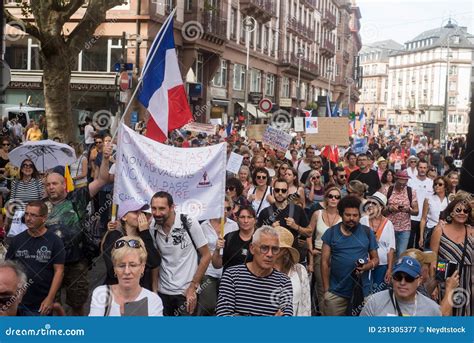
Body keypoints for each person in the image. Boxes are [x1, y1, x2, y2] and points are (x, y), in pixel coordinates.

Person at [44, 142, 112, 316]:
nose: (51, 187)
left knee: (78, 303)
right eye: (48, 184)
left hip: (76, 262)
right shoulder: (41, 207)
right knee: (51, 304)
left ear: (64, 185)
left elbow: (102, 180)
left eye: (55, 184)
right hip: (49, 265)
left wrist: (104, 158)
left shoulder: (77, 197)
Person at [149, 191, 211, 316]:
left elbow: (206, 255)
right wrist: (154, 290)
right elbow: (156, 260)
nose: (157, 213)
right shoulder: (153, 226)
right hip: (163, 292)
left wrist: (192, 288)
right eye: (154, 209)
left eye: (162, 209)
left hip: (185, 293)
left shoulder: (188, 222)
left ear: (172, 207)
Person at [216, 226, 293, 316]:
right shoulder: (232, 276)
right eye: (264, 248)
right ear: (252, 248)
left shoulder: (284, 282)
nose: (270, 254)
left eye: (275, 249)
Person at [321, 196, 379, 316]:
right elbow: (324, 262)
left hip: (362, 291)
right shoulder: (330, 233)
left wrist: (366, 266)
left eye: (355, 215)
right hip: (336, 293)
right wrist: (327, 290)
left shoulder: (367, 232)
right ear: (341, 214)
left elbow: (376, 259)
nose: (351, 218)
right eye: (348, 215)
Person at [5, 201, 65, 316]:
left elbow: (59, 271)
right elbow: (8, 267)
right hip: (17, 302)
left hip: (41, 303)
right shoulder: (17, 240)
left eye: (33, 215)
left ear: (44, 218)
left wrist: (50, 298)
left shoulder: (55, 241)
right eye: (26, 214)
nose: (28, 218)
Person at [89, 236, 164, 316]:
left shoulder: (153, 301)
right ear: (114, 268)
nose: (127, 271)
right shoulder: (102, 294)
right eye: (121, 266)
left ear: (142, 267)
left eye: (133, 265)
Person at [102, 200, 160, 292]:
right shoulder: (114, 236)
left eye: (142, 212)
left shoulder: (144, 236)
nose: (141, 216)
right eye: (136, 212)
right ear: (124, 217)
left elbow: (155, 262)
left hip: (141, 293)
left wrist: (145, 233)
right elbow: (112, 271)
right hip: (118, 292)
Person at [430, 198, 473, 316]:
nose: (462, 213)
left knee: (464, 316)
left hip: (466, 283)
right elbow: (433, 260)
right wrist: (434, 286)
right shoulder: (440, 230)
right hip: (444, 281)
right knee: (444, 316)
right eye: (458, 210)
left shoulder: (471, 231)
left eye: (466, 211)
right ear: (451, 212)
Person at [198, 197, 239, 316]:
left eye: (228, 208)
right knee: (208, 304)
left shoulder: (234, 226)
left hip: (227, 271)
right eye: (222, 208)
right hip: (208, 270)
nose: (224, 211)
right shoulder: (203, 226)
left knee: (225, 306)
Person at [360, 256, 441, 316]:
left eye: (409, 278)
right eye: (398, 277)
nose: (402, 282)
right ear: (392, 278)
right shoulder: (374, 303)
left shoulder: (433, 309)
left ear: (419, 280)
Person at [257, 179, 310, 265]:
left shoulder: (297, 209)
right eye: (277, 190)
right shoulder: (265, 212)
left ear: (288, 192)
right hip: (271, 260)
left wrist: (296, 227)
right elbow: (257, 238)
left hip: (293, 258)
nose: (280, 193)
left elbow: (309, 232)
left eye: (283, 190)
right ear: (273, 192)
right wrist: (270, 229)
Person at [308, 186, 342, 313]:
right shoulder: (318, 213)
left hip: (337, 257)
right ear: (326, 198)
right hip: (319, 255)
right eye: (331, 196)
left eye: (337, 197)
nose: (333, 199)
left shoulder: (343, 217)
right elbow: (308, 234)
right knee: (322, 288)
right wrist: (311, 252)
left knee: (335, 288)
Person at [360, 192, 395, 294]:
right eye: (369, 202)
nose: (370, 205)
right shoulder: (363, 220)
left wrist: (389, 269)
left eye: (374, 203)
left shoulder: (389, 224)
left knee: (378, 293)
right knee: (365, 291)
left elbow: (391, 249)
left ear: (381, 207)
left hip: (382, 265)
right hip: (365, 263)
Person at [273, 226, 310, 316]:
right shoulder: (261, 270)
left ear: (285, 251)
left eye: (276, 248)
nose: (271, 251)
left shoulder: (299, 270)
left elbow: (305, 305)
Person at [6, 159, 44, 238]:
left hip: (34, 217)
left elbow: (42, 202)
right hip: (18, 218)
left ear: (33, 169)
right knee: (19, 242)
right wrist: (7, 221)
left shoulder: (38, 182)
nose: (27, 167)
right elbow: (12, 203)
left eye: (30, 166)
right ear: (21, 168)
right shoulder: (15, 183)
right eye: (25, 165)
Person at [385, 170, 418, 258]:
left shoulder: (411, 192)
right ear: (395, 179)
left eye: (404, 183)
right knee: (388, 254)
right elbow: (381, 211)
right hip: (389, 227)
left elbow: (416, 211)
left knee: (401, 254)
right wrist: (390, 209)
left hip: (405, 228)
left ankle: (398, 271)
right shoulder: (387, 190)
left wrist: (408, 210)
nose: (402, 186)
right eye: (400, 183)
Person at [212, 206, 256, 271]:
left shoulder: (261, 238)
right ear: (237, 219)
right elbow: (217, 265)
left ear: (255, 220)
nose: (246, 221)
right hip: (229, 280)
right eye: (242, 217)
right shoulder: (229, 237)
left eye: (249, 217)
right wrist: (217, 250)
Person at [419, 176, 451, 250]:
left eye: (440, 184)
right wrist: (421, 237)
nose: (437, 186)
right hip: (430, 229)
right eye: (435, 184)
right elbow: (423, 219)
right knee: (429, 253)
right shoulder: (428, 199)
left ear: (445, 186)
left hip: (445, 230)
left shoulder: (449, 200)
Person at [408, 159, 433, 249]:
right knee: (409, 244)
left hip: (425, 218)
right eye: (420, 167)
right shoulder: (410, 181)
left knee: (420, 245)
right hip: (412, 216)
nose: (422, 169)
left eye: (424, 168)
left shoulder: (431, 182)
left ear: (427, 169)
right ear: (417, 168)